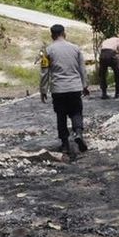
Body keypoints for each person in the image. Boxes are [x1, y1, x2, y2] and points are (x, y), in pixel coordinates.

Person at [40, 24, 90, 159]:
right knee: (76, 112)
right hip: (74, 87)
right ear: (64, 34)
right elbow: (82, 69)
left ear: (52, 35)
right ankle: (78, 133)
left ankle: (65, 144)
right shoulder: (75, 48)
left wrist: (43, 90)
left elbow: (44, 73)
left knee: (61, 115)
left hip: (58, 89)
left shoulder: (48, 51)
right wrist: (85, 86)